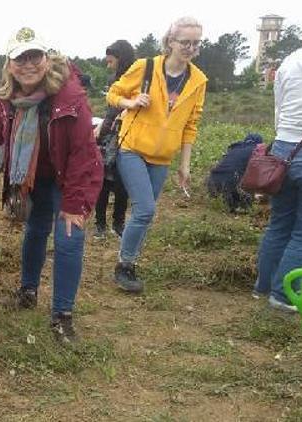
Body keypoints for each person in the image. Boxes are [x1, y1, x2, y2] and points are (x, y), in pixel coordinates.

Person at [0, 27, 103, 343]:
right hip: (35, 177)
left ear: (46, 60)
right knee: (35, 231)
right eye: (20, 57)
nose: (28, 64)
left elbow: (83, 153)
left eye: (34, 56)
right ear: (10, 64)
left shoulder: (70, 96)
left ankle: (62, 316)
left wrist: (74, 205)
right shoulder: (7, 101)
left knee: (69, 238)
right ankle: (27, 291)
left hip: (71, 177)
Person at [106, 17, 207, 294]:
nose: (190, 48)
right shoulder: (146, 67)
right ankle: (124, 265)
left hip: (162, 157)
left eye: (196, 43)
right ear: (170, 41)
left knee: (144, 215)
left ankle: (130, 261)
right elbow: (113, 94)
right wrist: (131, 101)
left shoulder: (198, 80)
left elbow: (190, 125)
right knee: (146, 209)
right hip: (133, 149)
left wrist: (184, 165)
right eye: (184, 42)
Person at [253, 18, 302, 312]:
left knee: (279, 223)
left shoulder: (292, 59)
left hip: (283, 151)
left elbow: (279, 108)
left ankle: (263, 287)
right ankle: (282, 296)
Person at [92, 40, 135, 239]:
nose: (108, 66)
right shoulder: (113, 80)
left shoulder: (138, 78)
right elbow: (112, 107)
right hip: (110, 134)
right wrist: (103, 125)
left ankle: (118, 223)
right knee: (102, 180)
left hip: (129, 136)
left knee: (122, 181)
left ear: (121, 58)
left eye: (111, 62)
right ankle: (99, 223)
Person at [206, 133, 263, 212]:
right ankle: (239, 206)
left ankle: (225, 202)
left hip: (212, 183)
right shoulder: (257, 151)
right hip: (232, 184)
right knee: (246, 206)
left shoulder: (234, 149)